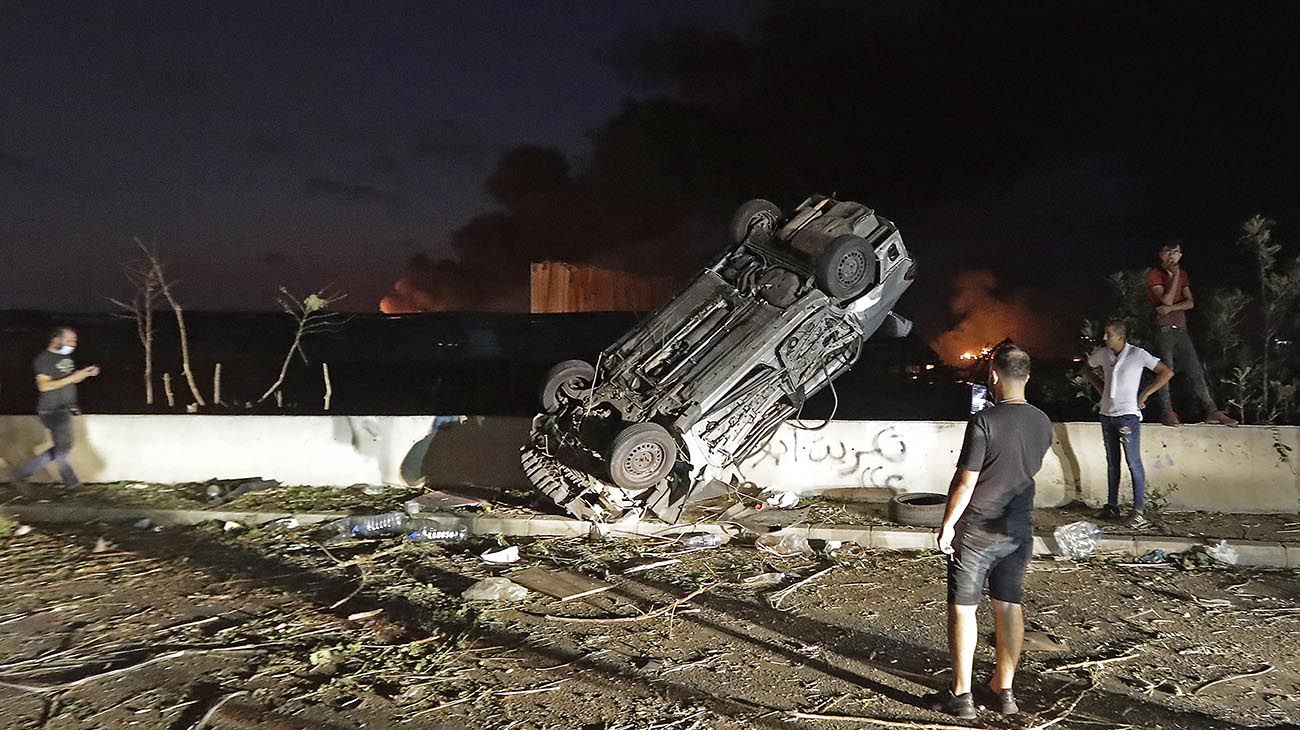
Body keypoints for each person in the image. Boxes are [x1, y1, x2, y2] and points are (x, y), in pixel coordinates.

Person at [926, 343, 1052, 719]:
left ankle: (961, 695)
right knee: (1009, 605)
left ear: (994, 375)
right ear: (1027, 377)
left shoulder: (985, 421)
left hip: (979, 529)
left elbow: (966, 481)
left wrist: (947, 525)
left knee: (964, 609)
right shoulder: (1043, 422)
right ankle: (1005, 689)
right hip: (1017, 529)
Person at [1080, 320, 1174, 527]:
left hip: (1127, 415)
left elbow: (1166, 372)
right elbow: (1087, 368)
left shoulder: (1137, 354)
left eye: (1109, 335)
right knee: (1112, 462)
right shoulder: (1103, 354)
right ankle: (1112, 506)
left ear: (1121, 336)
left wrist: (1145, 394)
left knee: (1133, 461)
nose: (1105, 338)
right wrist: (1101, 388)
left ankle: (1138, 509)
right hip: (1107, 414)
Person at [1146, 240, 1237, 426]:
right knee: (1166, 372)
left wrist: (1170, 307)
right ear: (1161, 254)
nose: (1172, 255)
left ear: (1180, 255)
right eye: (1168, 251)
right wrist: (1175, 276)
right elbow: (1167, 299)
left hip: (1181, 329)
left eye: (1176, 251)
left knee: (1195, 371)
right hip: (1164, 330)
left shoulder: (1183, 275)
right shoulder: (1155, 274)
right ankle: (1167, 412)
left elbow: (1190, 303)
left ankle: (1211, 410)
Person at [11, 327, 98, 490]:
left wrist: (84, 374)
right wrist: (73, 377)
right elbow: (44, 386)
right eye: (69, 340)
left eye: (75, 341)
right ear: (56, 339)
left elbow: (67, 380)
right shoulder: (44, 359)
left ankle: (21, 474)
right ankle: (72, 484)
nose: (73, 344)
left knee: (62, 447)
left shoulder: (65, 357)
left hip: (64, 409)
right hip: (52, 410)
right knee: (62, 450)